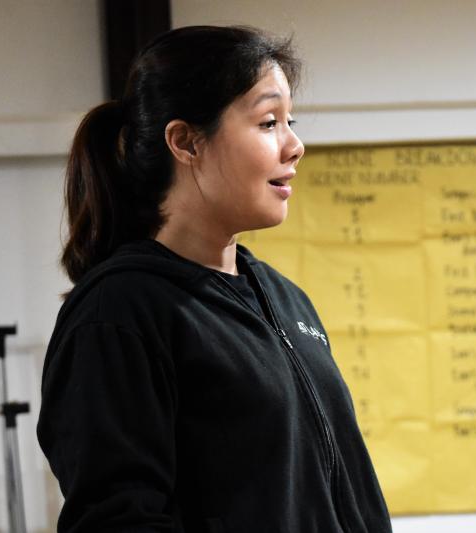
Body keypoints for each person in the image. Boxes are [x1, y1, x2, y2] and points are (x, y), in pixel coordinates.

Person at [36, 25, 393, 532]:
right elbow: (118, 519)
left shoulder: (287, 300)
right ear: (185, 143)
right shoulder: (119, 313)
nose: (295, 146)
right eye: (269, 122)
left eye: (290, 121)